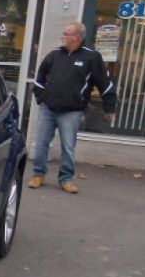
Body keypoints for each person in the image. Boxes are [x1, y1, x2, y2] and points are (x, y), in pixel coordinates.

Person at [29, 21, 117, 194]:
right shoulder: (54, 55)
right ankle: (38, 174)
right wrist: (42, 98)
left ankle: (66, 179)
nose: (62, 36)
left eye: (66, 33)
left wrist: (109, 107)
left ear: (76, 37)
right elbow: (39, 78)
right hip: (48, 109)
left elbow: (105, 84)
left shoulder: (92, 57)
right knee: (41, 143)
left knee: (68, 147)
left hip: (71, 111)